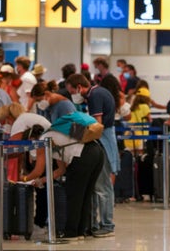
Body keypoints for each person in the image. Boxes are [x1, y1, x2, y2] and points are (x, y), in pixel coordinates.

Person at [22, 125, 105, 241]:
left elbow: (38, 170)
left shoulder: (43, 140)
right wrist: (42, 180)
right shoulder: (56, 132)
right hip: (98, 152)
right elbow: (61, 170)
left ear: (31, 138)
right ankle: (80, 231)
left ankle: (71, 233)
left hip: (82, 156)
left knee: (74, 196)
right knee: (85, 195)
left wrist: (23, 179)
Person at [65, 73, 118, 238]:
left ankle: (107, 224)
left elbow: (97, 126)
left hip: (103, 141)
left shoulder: (95, 96)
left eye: (72, 91)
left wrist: (76, 133)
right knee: (97, 187)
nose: (73, 95)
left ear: (79, 87)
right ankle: (95, 224)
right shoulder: (99, 92)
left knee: (103, 187)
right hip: (105, 140)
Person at [123, 87, 152, 155]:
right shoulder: (145, 107)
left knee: (131, 156)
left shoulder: (133, 107)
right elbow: (150, 120)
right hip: (141, 135)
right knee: (140, 157)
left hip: (130, 133)